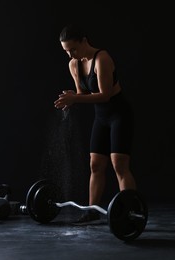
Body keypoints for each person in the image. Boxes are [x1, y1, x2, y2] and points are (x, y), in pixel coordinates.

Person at [54, 23, 137, 224]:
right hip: (101, 117)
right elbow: (83, 94)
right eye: (66, 51)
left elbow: (105, 95)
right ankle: (92, 211)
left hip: (119, 114)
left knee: (119, 165)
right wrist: (72, 97)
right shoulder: (73, 64)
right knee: (96, 164)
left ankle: (131, 210)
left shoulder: (102, 58)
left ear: (84, 41)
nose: (71, 55)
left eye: (73, 49)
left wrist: (76, 100)